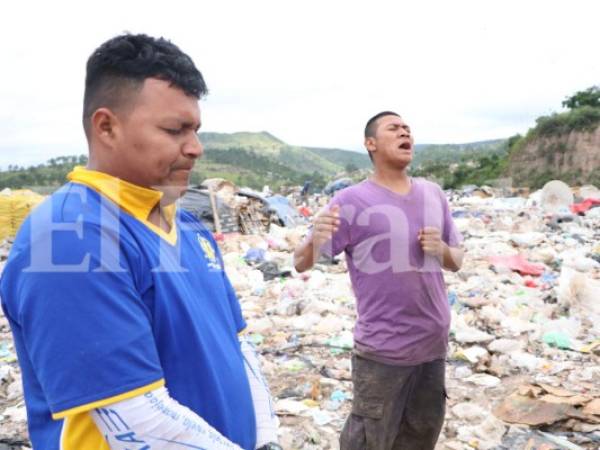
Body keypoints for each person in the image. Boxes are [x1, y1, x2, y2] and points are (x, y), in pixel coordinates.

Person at [0, 34, 281, 450]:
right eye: (174, 130)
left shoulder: (188, 227)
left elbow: (239, 349)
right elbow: (135, 419)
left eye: (196, 130)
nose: (196, 148)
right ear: (106, 126)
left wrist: (266, 441)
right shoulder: (68, 239)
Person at [294, 111, 464, 450]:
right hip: (383, 351)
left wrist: (440, 248)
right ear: (370, 144)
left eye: (407, 128)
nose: (405, 132)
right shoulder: (351, 201)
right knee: (368, 442)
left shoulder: (433, 194)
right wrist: (314, 238)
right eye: (394, 128)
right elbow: (301, 263)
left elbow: (456, 260)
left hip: (432, 346)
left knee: (419, 439)